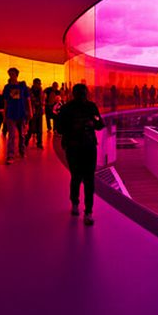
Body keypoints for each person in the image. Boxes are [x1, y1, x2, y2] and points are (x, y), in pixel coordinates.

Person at [57, 84, 105, 225]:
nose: (82, 97)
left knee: (78, 177)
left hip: (78, 147)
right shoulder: (90, 107)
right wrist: (90, 124)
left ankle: (78, 206)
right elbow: (100, 124)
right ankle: (86, 211)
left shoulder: (67, 108)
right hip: (84, 147)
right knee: (86, 179)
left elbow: (99, 124)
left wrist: (90, 124)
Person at [2, 68, 31, 164]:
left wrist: (30, 111)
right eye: (10, 74)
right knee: (12, 135)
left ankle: (22, 151)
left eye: (13, 74)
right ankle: (10, 155)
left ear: (16, 75)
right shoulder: (7, 87)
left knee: (22, 135)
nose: (11, 76)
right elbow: (5, 102)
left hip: (21, 113)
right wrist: (4, 115)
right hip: (11, 113)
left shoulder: (22, 86)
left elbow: (28, 100)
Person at [25, 78, 44, 149]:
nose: (39, 85)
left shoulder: (41, 91)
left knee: (39, 128)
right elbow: (28, 101)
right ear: (34, 83)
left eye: (39, 83)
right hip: (32, 111)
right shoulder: (30, 91)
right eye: (38, 83)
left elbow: (42, 101)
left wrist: (40, 103)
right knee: (31, 128)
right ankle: (26, 141)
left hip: (39, 111)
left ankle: (39, 143)